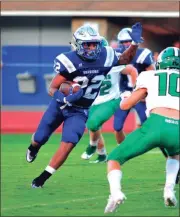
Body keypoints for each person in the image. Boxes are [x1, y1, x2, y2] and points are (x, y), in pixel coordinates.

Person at [26, 22, 143, 188]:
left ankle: (43, 177)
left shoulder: (106, 55)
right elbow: (52, 88)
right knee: (40, 138)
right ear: (77, 45)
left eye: (94, 44)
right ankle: (33, 147)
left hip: (80, 110)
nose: (91, 48)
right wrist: (64, 98)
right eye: (87, 44)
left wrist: (135, 44)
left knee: (69, 142)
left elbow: (125, 59)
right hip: (60, 105)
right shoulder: (68, 60)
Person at [104, 46, 180, 213]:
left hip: (155, 124)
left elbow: (126, 105)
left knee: (114, 158)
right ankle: (169, 189)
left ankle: (116, 193)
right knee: (175, 154)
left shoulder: (149, 75)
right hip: (177, 128)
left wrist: (125, 97)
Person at [81, 38, 138, 163]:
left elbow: (132, 70)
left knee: (93, 124)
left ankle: (92, 146)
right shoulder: (86, 63)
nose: (91, 51)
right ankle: (101, 154)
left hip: (110, 99)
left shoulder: (113, 62)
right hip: (93, 101)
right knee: (93, 127)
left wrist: (135, 88)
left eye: (94, 48)